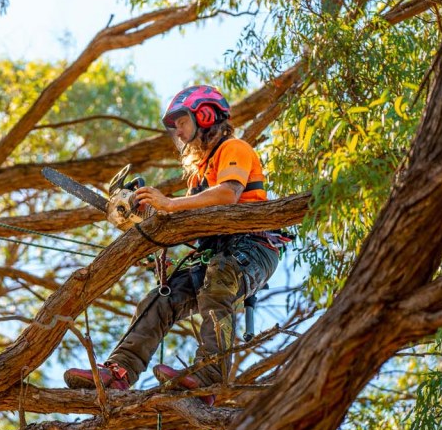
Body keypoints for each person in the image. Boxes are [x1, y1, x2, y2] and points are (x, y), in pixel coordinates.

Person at [63, 85, 285, 403]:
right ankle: (119, 371)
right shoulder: (198, 179)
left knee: (219, 279)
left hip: (251, 248)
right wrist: (159, 235)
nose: (177, 130)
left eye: (181, 121)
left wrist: (167, 203)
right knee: (160, 299)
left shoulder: (233, 148)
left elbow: (227, 195)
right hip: (215, 252)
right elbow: (189, 223)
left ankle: (210, 376)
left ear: (205, 115)